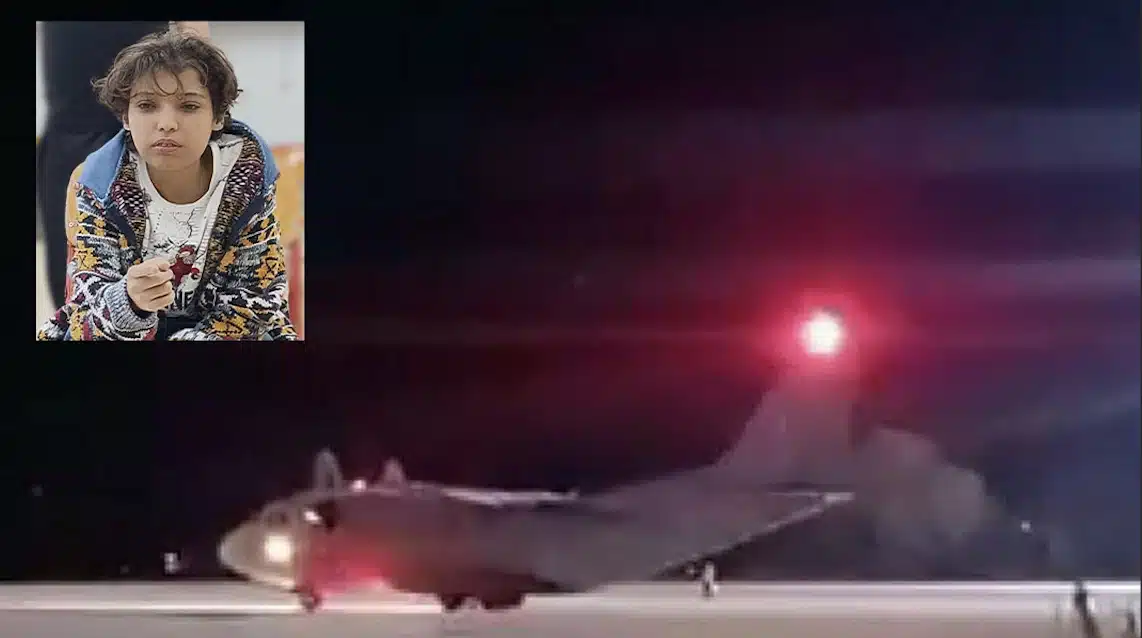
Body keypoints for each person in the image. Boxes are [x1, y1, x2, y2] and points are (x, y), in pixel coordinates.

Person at [36, 27, 296, 340]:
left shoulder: (248, 178)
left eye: (189, 106)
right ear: (125, 118)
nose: (167, 124)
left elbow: (256, 303)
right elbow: (85, 315)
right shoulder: (99, 186)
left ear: (218, 117)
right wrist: (128, 303)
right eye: (147, 106)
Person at [38, 22, 209, 312]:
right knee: (75, 281)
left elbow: (194, 35)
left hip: (151, 125)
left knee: (163, 270)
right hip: (72, 127)